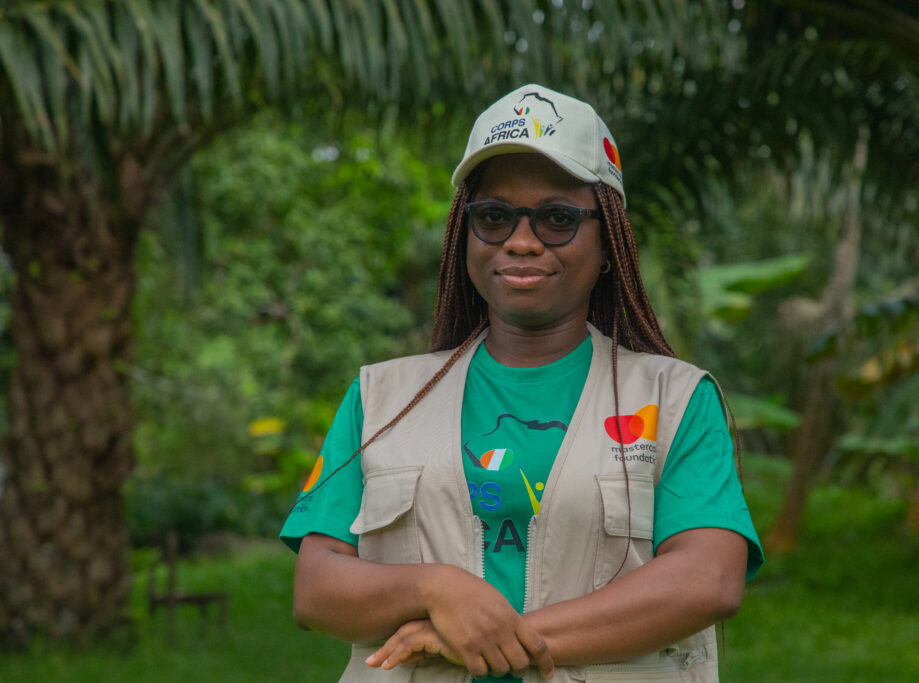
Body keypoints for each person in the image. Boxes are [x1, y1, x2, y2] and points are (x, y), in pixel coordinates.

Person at [280, 84, 763, 683]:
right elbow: (317, 587)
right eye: (494, 217)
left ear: (608, 244)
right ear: (465, 235)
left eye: (558, 219)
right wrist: (436, 589)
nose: (521, 241)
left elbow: (708, 579)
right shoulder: (381, 398)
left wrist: (487, 637)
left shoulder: (676, 400)